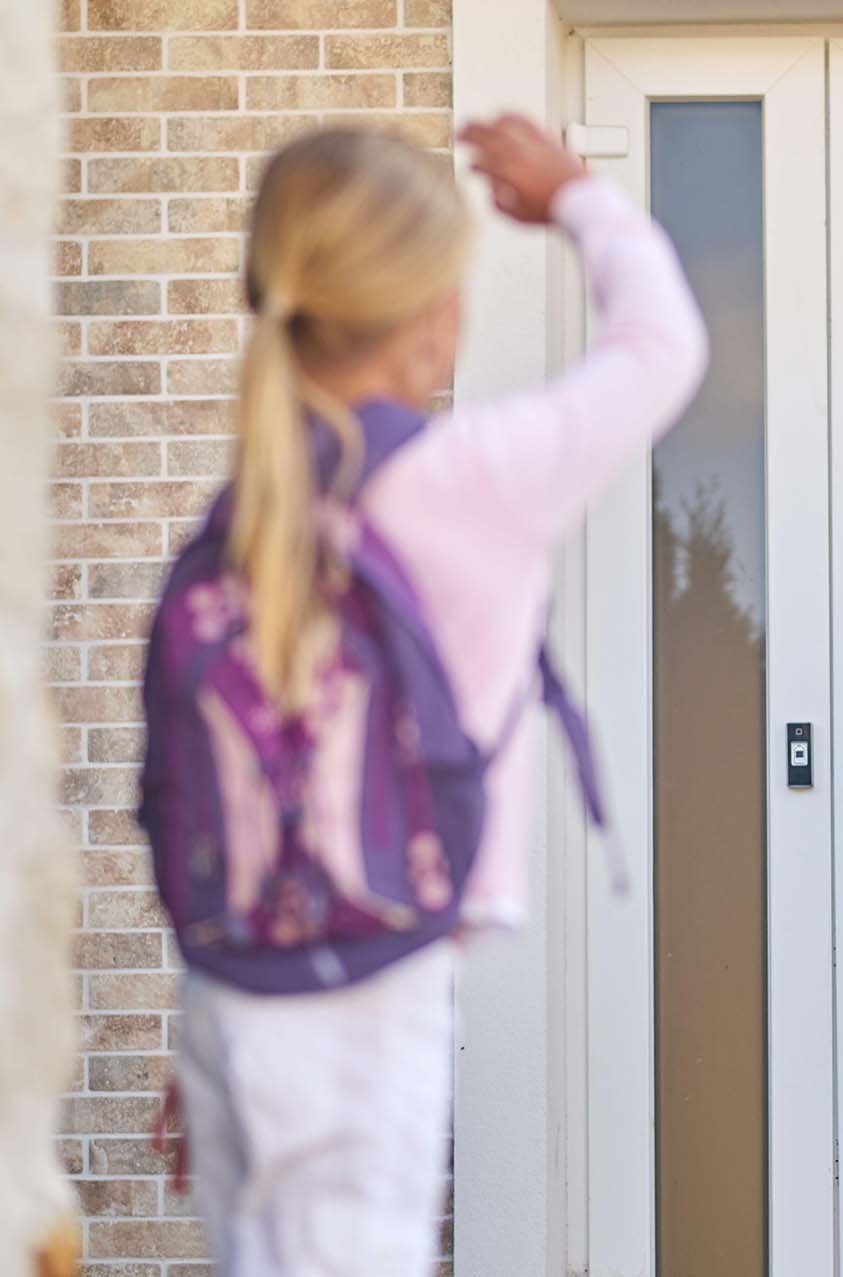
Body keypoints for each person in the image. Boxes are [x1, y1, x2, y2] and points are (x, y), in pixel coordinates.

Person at [155, 118, 706, 1274]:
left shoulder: (248, 504)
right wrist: (577, 197)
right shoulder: (467, 478)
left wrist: (209, 1028)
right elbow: (661, 342)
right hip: (367, 999)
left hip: (232, 997)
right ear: (434, 311)